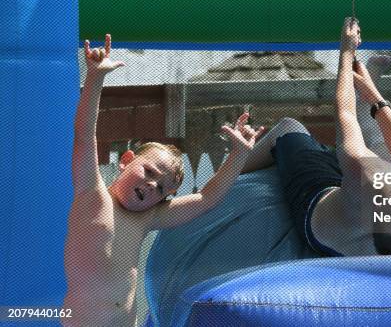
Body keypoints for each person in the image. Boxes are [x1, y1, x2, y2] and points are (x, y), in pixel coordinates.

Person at [62, 35, 264, 327]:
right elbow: (84, 137)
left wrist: (239, 155)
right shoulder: (92, 197)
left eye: (162, 188)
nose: (152, 186)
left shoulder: (146, 218)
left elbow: (207, 199)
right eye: (149, 172)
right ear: (126, 160)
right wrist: (94, 79)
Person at [241, 18, 391, 256]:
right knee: (390, 158)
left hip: (318, 210)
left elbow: (344, 114)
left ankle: (229, 172)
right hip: (363, 231)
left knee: (287, 127)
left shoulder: (362, 180)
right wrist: (373, 96)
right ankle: (368, 108)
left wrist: (346, 50)